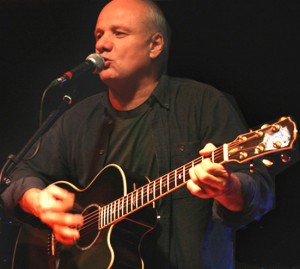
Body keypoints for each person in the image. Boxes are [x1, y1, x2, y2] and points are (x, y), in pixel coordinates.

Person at [1, 0, 274, 268]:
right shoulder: (77, 118)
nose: (102, 44)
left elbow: (259, 193)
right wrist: (36, 200)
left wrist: (229, 188)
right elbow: (14, 176)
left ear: (155, 45)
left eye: (118, 33)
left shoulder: (203, 104)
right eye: (99, 35)